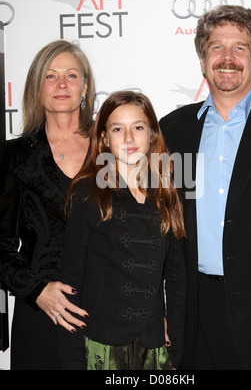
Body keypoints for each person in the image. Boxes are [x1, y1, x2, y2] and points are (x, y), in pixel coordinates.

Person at [159, 5, 251, 370]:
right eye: (216, 47)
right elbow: (155, 225)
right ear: (202, 60)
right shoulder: (172, 131)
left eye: (239, 47)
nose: (227, 58)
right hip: (195, 316)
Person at [57, 90, 186, 370]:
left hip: (153, 347)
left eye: (137, 127)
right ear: (104, 138)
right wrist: (72, 358)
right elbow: (71, 281)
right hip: (101, 346)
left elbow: (177, 280)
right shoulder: (87, 194)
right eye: (118, 129)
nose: (128, 139)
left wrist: (177, 347)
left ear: (151, 134)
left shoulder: (166, 194)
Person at [0, 40, 95, 369]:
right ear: (36, 89)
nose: (62, 84)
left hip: (109, 308)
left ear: (85, 87)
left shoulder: (112, 149)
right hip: (41, 315)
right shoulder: (14, 157)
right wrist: (37, 290)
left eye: (71, 75)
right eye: (51, 76)